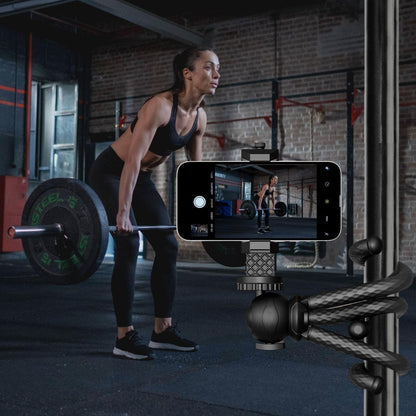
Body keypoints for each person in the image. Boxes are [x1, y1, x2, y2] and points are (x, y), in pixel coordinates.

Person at [88, 47, 220, 360]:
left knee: (168, 245)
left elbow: (195, 171)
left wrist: (202, 212)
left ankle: (162, 330)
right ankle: (124, 336)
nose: (216, 75)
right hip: (111, 171)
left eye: (218, 69)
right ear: (187, 73)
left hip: (141, 178)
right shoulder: (159, 107)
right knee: (128, 239)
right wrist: (122, 212)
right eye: (208, 67)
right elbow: (132, 161)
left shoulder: (199, 117)